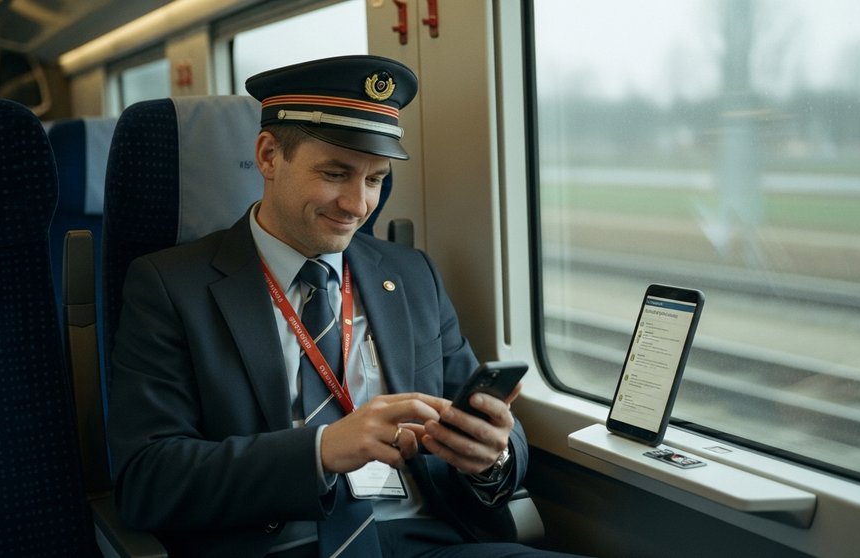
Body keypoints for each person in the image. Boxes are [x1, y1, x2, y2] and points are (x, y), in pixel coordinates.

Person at [107, 55, 585, 558]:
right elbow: (147, 481)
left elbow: (484, 423)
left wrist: (492, 455)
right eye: (336, 173)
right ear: (269, 156)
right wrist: (321, 450)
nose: (358, 205)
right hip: (282, 545)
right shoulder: (170, 285)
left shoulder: (411, 274)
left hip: (429, 542)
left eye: (375, 179)